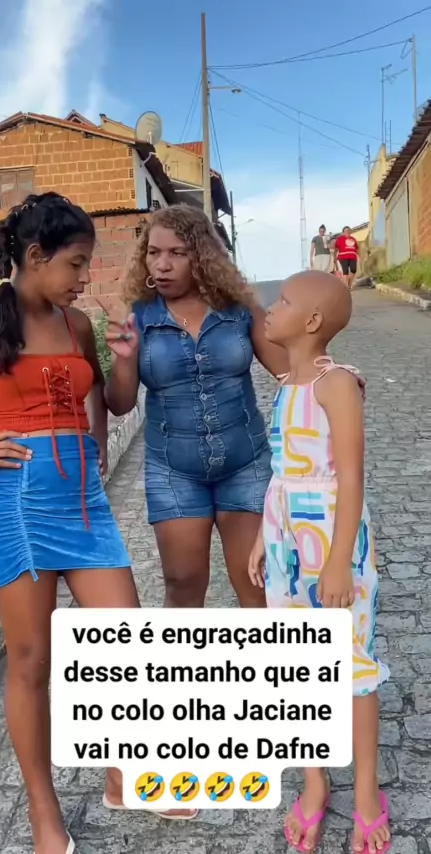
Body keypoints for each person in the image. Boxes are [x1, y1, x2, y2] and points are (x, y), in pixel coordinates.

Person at [0, 192, 193, 854]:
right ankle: (43, 814)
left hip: (83, 504)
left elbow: (113, 403)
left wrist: (125, 356)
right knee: (33, 660)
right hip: (14, 505)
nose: (85, 277)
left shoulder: (76, 323)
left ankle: (122, 774)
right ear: (35, 255)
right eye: (77, 263)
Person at [102, 205, 365, 613]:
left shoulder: (238, 309)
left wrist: (336, 377)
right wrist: (123, 358)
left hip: (246, 466)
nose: (162, 264)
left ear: (202, 255)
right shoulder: (139, 316)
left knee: (257, 584)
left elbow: (291, 370)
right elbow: (119, 405)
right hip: (173, 472)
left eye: (177, 253)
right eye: (153, 253)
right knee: (183, 587)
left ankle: (264, 657)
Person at [248, 270, 391, 854]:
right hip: (286, 545)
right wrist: (264, 538)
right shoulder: (286, 385)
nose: (269, 307)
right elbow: (281, 473)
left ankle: (366, 793)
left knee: (353, 665)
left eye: (281, 301)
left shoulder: (337, 385)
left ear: (310, 321)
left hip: (333, 542)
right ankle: (314, 781)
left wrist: (337, 563)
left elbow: (351, 478)